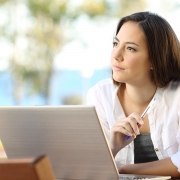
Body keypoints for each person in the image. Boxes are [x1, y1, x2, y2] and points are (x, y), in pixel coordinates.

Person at [87, 11, 180, 177]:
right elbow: (91, 170)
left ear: (155, 59)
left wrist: (125, 170)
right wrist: (112, 148)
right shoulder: (100, 95)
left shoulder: (177, 96)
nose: (116, 55)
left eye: (130, 48)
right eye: (115, 44)